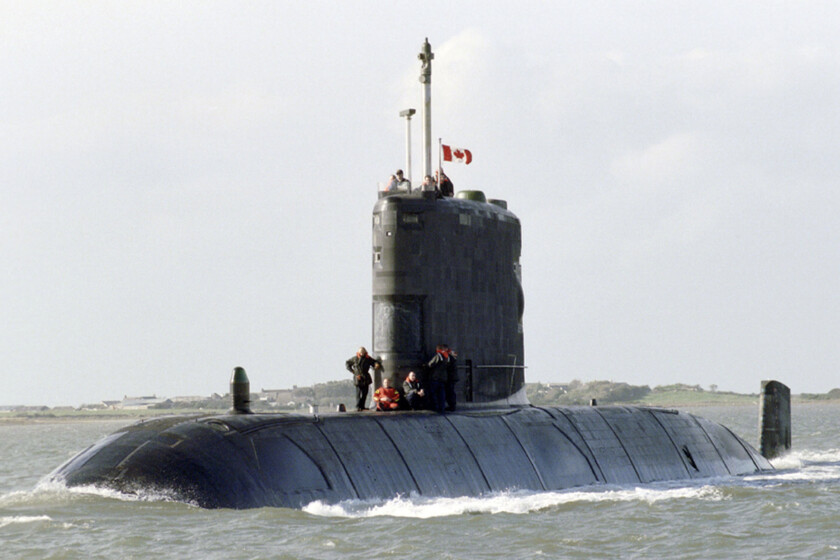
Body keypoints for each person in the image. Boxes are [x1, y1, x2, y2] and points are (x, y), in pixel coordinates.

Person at [345, 347, 381, 411]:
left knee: (365, 393)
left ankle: (362, 406)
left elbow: (374, 362)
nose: (362, 353)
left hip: (365, 377)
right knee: (358, 393)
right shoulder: (355, 358)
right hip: (358, 377)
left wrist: (376, 364)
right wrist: (353, 371)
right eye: (361, 352)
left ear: (365, 352)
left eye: (363, 352)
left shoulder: (368, 358)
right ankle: (358, 406)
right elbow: (347, 363)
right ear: (359, 352)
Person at [425, 345, 449, 413]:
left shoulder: (438, 356)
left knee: (433, 393)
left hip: (435, 377)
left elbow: (430, 364)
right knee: (441, 394)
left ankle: (435, 407)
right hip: (443, 378)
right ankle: (442, 408)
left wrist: (425, 365)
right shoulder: (446, 356)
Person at [444, 345, 458, 411]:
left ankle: (452, 406)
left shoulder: (449, 357)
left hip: (450, 377)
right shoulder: (452, 357)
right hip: (452, 377)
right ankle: (452, 405)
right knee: (451, 392)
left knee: (450, 392)